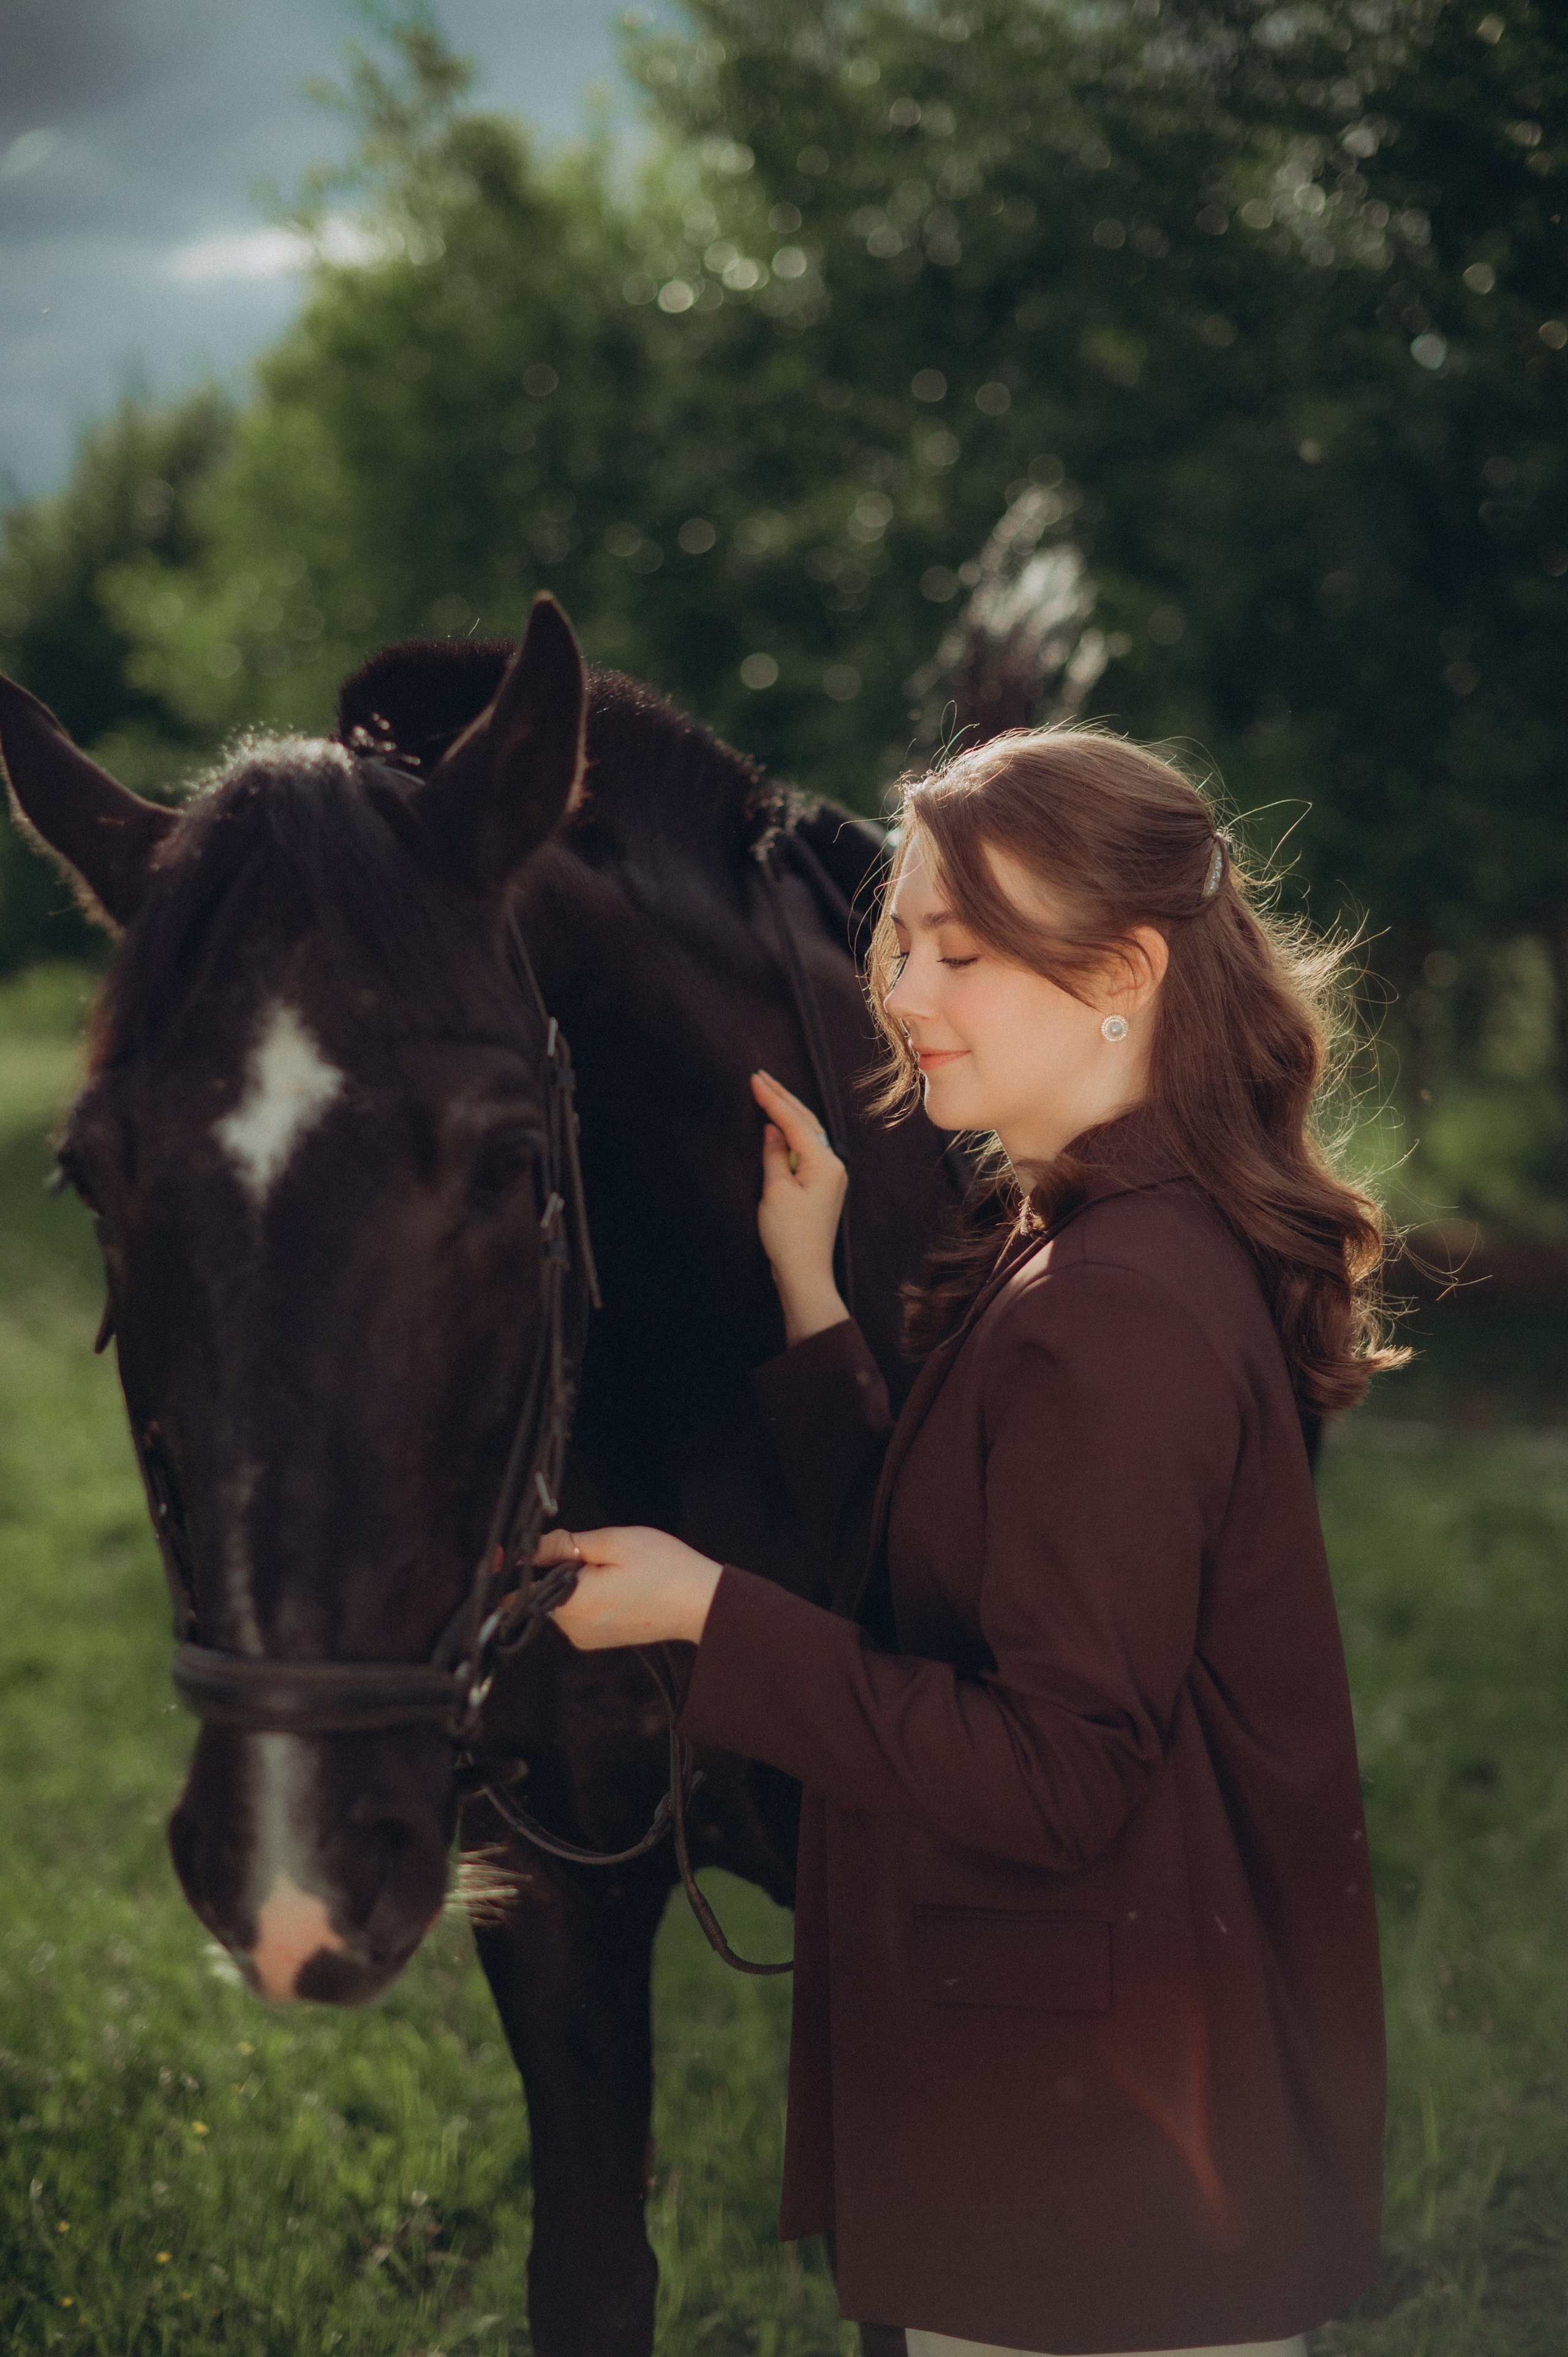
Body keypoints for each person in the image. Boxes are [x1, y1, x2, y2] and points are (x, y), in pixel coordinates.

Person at [535, 725, 1396, 2357]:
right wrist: (811, 1283)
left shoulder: (1117, 1303)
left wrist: (713, 1616)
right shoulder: (1097, 1237)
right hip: (1103, 2152)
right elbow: (978, 1593)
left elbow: (1059, 1769)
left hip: (1100, 2190)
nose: (903, 994)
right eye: (902, 941)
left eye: (965, 950)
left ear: (1126, 969)